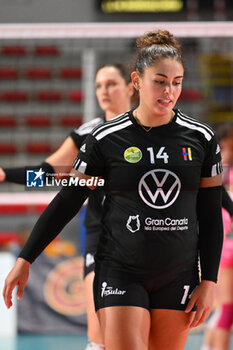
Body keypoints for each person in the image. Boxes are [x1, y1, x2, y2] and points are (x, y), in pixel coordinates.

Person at [3, 29, 224, 350]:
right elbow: (56, 184)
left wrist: (210, 279)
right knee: (102, 341)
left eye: (177, 82)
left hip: (178, 271)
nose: (169, 91)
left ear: (125, 86)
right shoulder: (98, 136)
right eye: (160, 81)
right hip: (118, 263)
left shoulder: (200, 138)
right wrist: (26, 256)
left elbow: (210, 210)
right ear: (137, 80)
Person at [0, 63, 135, 350]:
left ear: (131, 86)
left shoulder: (152, 130)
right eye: (99, 85)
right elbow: (50, 172)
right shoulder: (90, 132)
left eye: (111, 84)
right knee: (100, 337)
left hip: (146, 237)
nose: (104, 91)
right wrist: (6, 174)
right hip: (102, 238)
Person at [201, 123, 233, 350]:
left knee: (225, 308)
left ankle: (208, 346)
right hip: (227, 246)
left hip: (225, 244)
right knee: (227, 308)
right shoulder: (219, 168)